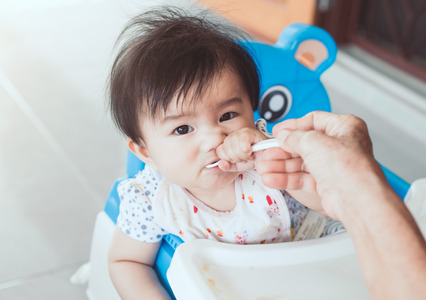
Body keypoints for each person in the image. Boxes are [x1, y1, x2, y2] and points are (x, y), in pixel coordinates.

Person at [107, 7, 326, 299]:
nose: (215, 137)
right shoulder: (150, 198)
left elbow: (329, 202)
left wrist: (270, 160)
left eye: (228, 115)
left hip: (310, 267)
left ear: (252, 111)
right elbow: (126, 261)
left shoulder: (272, 153)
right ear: (145, 151)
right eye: (183, 129)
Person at [255, 111, 426, 300]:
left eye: (227, 116)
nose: (216, 136)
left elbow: (320, 199)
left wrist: (353, 181)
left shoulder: (268, 160)